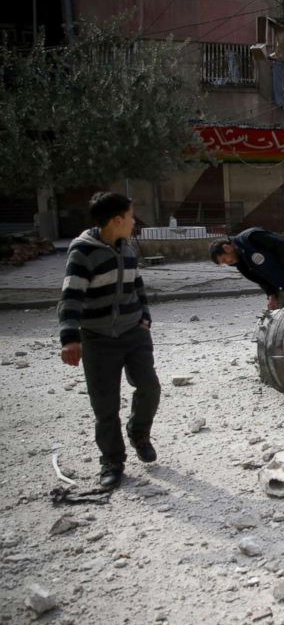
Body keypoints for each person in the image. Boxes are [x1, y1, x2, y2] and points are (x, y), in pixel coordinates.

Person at [58, 192, 161, 488]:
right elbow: (71, 297)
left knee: (149, 387)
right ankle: (112, 461)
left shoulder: (128, 249)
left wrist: (145, 318)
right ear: (117, 220)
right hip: (98, 338)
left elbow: (137, 283)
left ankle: (138, 432)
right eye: (130, 216)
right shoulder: (83, 252)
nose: (133, 221)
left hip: (134, 333)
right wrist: (70, 338)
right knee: (105, 406)